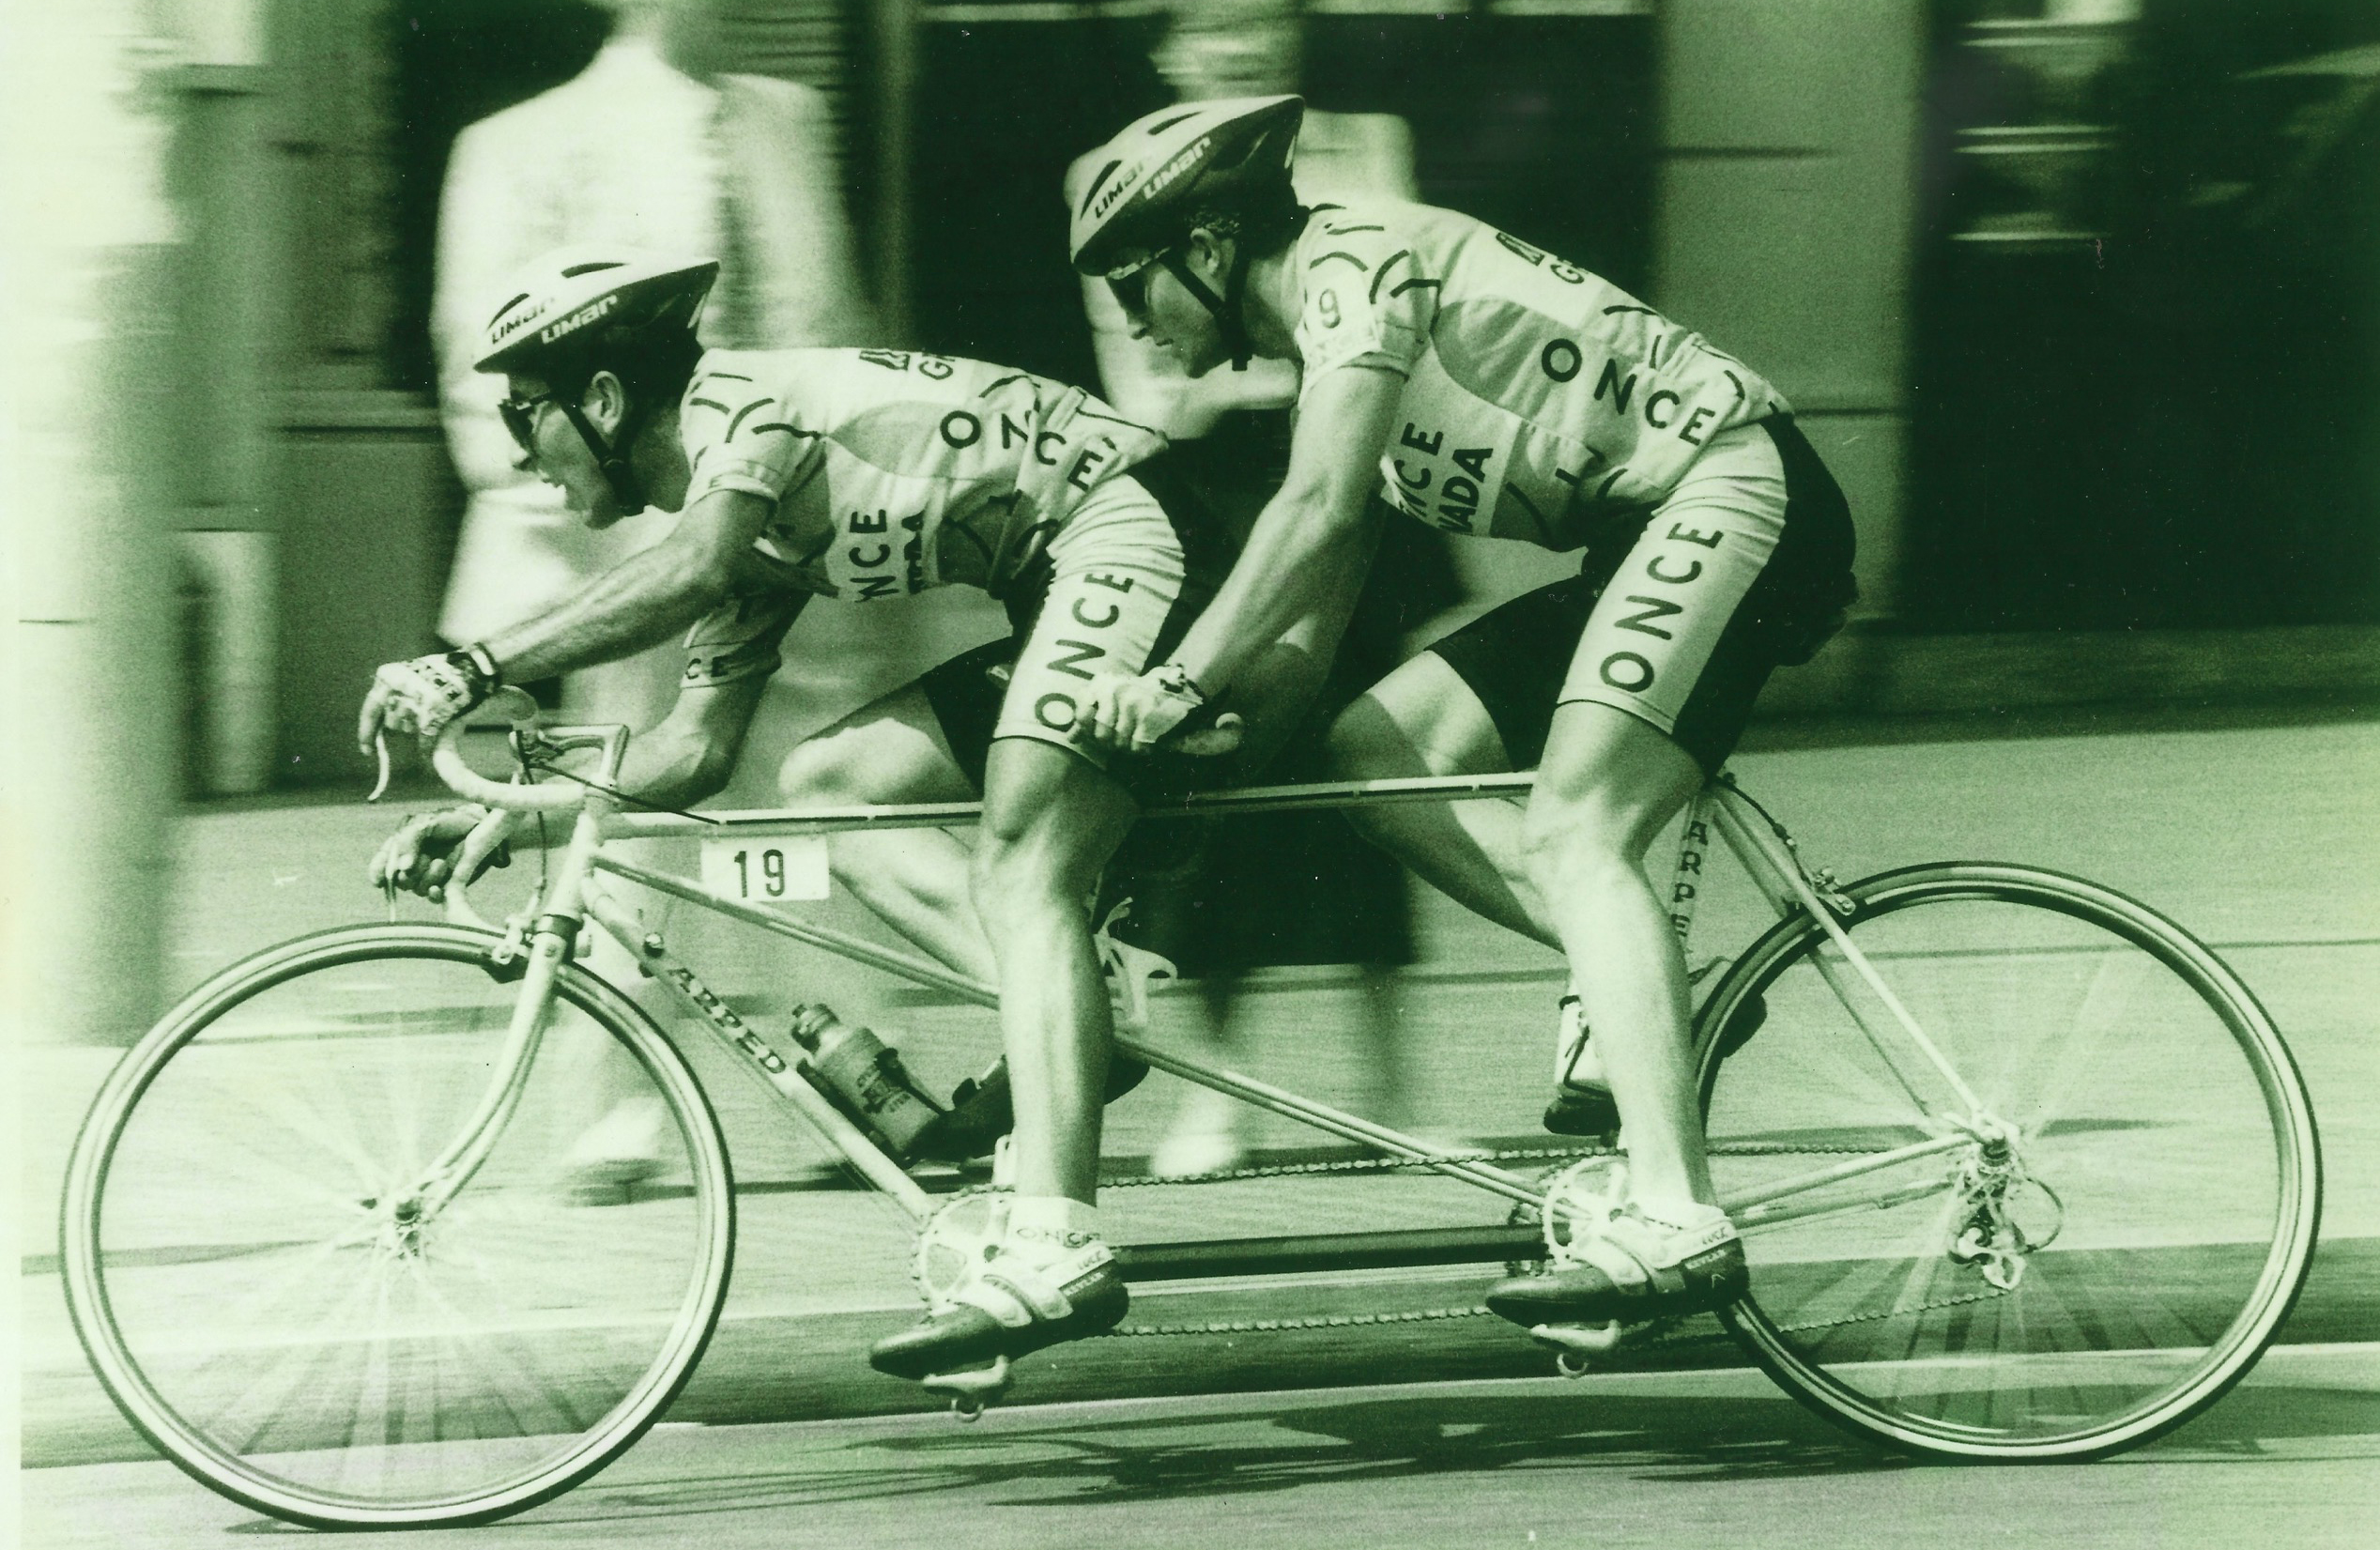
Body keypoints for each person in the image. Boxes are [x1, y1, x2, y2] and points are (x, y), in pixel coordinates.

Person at [360, 246, 1315, 1381]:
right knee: (827, 785)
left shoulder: (741, 412)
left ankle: (1058, 1236)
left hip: (1163, 530)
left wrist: (464, 665)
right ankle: (1084, 1013)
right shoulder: (749, 532)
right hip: (1084, 565)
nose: (523, 452)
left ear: (605, 400)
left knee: (1022, 858)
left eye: (530, 415)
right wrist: (520, 817)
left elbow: (687, 568)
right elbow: (691, 753)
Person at [1065, 96, 1859, 1329]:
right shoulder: (1324, 349)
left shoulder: (1346, 269)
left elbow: (1314, 515)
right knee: (1376, 752)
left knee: (1573, 828)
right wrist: (1219, 743)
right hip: (1645, 532)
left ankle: (1674, 1217)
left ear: (1209, 249)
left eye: (1132, 279)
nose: (1126, 320)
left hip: (1730, 487)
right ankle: (1664, 994)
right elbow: (1315, 609)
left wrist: (1171, 681)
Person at [1065, 0, 1452, 1174]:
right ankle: (1215, 1100)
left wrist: (1285, 374)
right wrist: (1275, 372)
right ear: (1167, 48)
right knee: (1213, 800)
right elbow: (1150, 388)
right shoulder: (1110, 173)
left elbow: (1401, 349)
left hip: (1350, 478)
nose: (1243, 43)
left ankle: (1395, 1094)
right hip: (1221, 504)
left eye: (1263, 17)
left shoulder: (1364, 142)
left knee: (1369, 768)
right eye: (1213, 23)